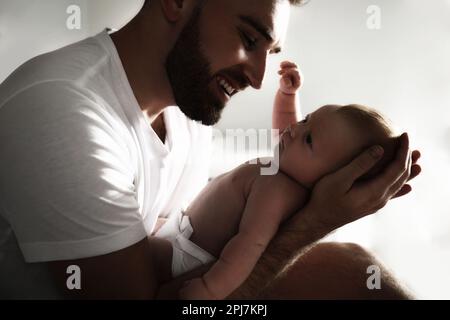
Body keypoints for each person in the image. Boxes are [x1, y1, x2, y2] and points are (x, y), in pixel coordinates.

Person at [0, 0, 421, 299]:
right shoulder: (62, 109)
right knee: (348, 276)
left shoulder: (186, 113)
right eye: (249, 38)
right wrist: (311, 225)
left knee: (353, 268)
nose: (259, 78)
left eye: (269, 53)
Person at [153, 61, 402, 300]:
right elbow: (287, 129)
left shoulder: (276, 191)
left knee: (133, 257)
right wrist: (287, 96)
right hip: (181, 232)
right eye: (306, 120)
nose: (295, 129)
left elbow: (248, 246)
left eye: (309, 140)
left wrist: (209, 289)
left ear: (331, 178)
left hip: (185, 256)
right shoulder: (289, 171)